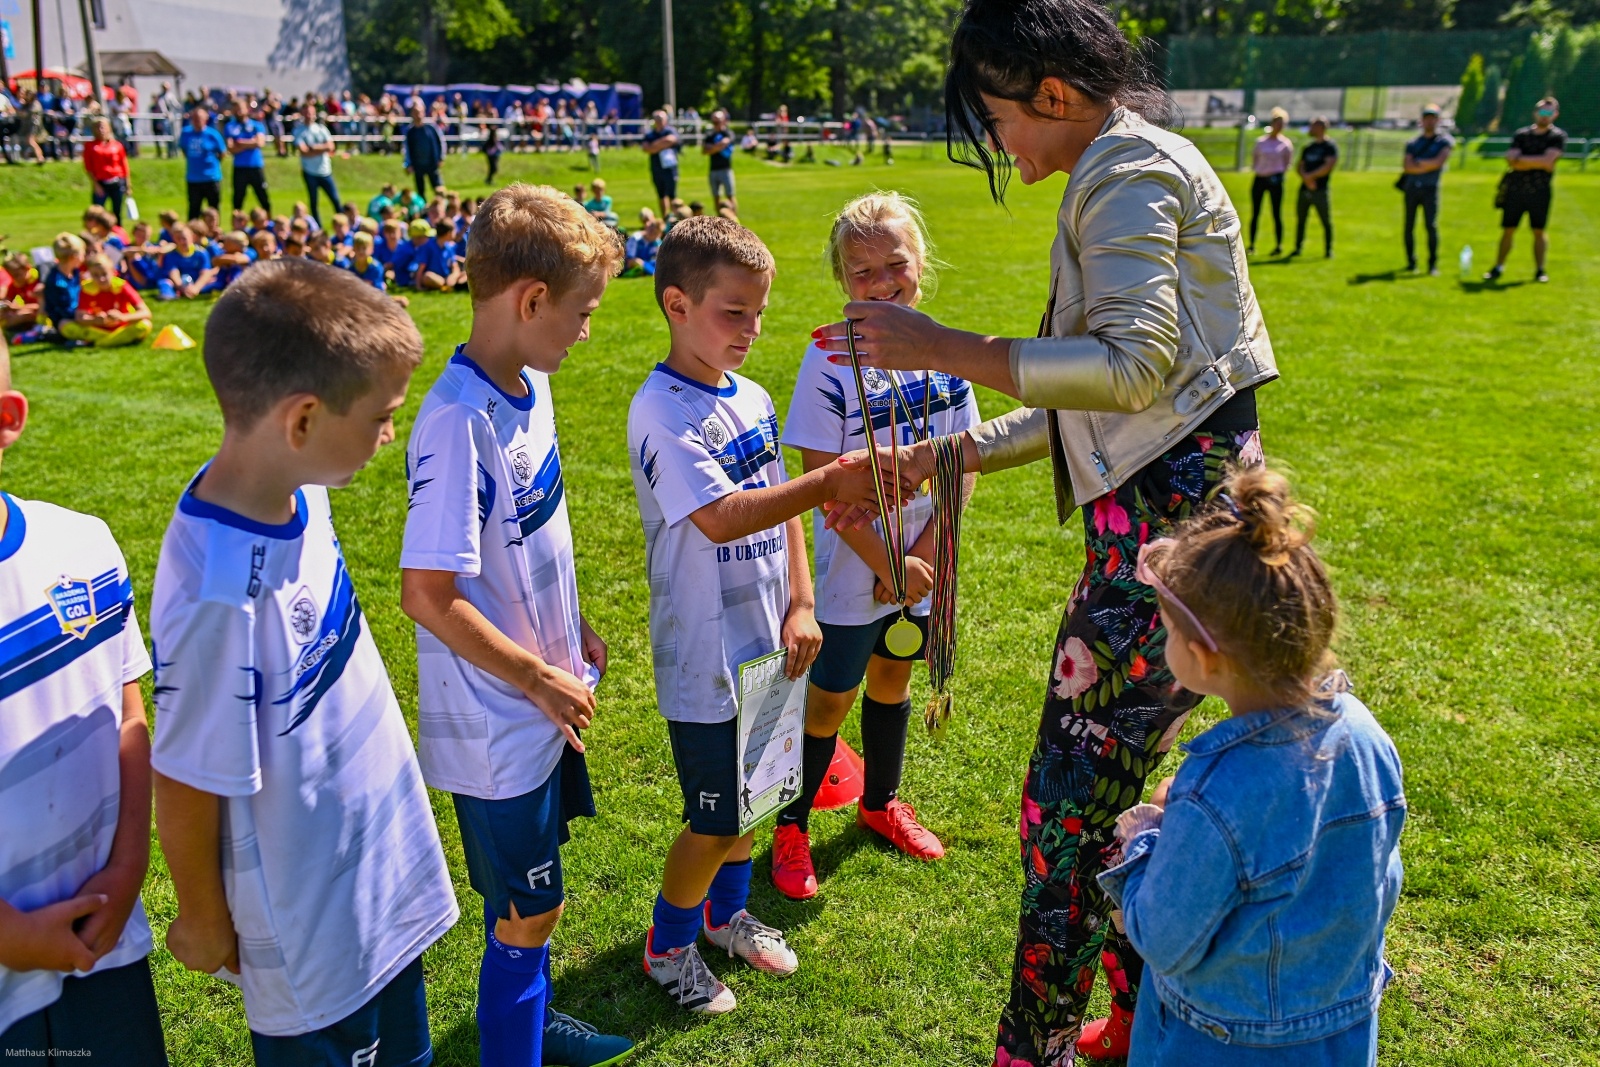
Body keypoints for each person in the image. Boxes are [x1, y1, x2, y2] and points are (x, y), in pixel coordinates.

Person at [811, 1, 1278, 1060]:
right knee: (1095, 802)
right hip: (1165, 537)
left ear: (1053, 95)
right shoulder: (1123, 164)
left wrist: (943, 345)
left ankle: (1038, 1046)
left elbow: (1128, 369)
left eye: (998, 117)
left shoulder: (1124, 175)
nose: (1000, 142)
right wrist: (956, 452)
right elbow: (1114, 399)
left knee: (1062, 817)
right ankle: (1127, 1016)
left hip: (1159, 552)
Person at [150, 259, 460, 1064]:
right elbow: (184, 772)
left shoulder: (302, 487)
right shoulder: (219, 592)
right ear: (303, 419)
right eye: (383, 416)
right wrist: (203, 917)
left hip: (376, 871)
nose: (390, 433)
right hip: (306, 922)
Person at [399, 184, 633, 1067]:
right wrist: (535, 676)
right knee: (528, 907)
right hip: (499, 724)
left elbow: (531, 535)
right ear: (530, 300)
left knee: (537, 900)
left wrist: (573, 629)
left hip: (544, 701)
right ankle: (515, 1042)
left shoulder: (529, 385)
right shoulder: (458, 421)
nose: (585, 331)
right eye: (581, 313)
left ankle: (529, 1018)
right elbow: (428, 592)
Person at [627, 216, 885, 1015]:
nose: (751, 329)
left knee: (761, 792)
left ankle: (724, 915)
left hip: (771, 637)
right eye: (732, 312)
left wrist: (803, 601)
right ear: (676, 303)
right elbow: (725, 516)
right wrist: (832, 480)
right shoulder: (660, 409)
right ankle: (667, 944)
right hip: (706, 652)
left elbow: (777, 520)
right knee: (712, 817)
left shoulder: (752, 395)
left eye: (759, 312)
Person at [1099, 469, 1405, 1067]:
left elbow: (1163, 938)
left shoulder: (1214, 791)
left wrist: (1149, 837)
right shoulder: (1364, 732)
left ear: (1204, 656)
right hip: (1340, 1026)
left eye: (1167, 629)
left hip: (1219, 1042)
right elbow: (1378, 881)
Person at [769, 192, 979, 901]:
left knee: (895, 679)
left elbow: (963, 461)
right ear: (841, 279)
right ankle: (791, 824)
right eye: (862, 271)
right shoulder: (829, 357)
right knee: (831, 698)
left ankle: (880, 802)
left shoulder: (945, 348)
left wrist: (925, 550)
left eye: (896, 263)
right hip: (852, 566)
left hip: (922, 561)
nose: (883, 281)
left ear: (921, 262)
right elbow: (824, 487)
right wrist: (889, 564)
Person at [0, 334, 169, 1063]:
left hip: (105, 938)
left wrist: (129, 864)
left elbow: (128, 716)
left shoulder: (82, 547)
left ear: (7, 419)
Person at [1485, 97, 1565, 284]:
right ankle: (1498, 267)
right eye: (1542, 112)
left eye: (1548, 112)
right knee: (1508, 230)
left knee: (1538, 231)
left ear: (1555, 115)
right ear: (1535, 113)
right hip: (1515, 191)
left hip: (1540, 192)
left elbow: (1548, 162)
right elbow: (1511, 159)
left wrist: (1523, 160)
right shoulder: (1521, 135)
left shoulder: (1557, 137)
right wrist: (1537, 161)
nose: (1544, 116)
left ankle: (1539, 270)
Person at [1399, 104, 1454, 276]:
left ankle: (1432, 264)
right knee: (1409, 226)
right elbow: (1407, 166)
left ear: (1438, 120)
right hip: (1412, 189)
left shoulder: (1444, 141)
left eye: (1433, 118)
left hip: (1430, 189)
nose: (1430, 121)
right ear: (1422, 121)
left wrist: (1419, 163)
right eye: (1427, 118)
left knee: (1431, 226)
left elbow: (1439, 162)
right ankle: (1410, 262)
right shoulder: (1413, 142)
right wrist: (1427, 165)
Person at [62, 252, 154, 347]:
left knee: (145, 325)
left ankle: (99, 343)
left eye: (104, 274)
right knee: (64, 325)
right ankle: (115, 340)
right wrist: (95, 320)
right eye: (95, 275)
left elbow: (146, 313)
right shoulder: (87, 288)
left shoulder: (122, 286)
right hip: (98, 329)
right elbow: (80, 317)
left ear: (113, 272)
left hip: (122, 327)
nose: (101, 279)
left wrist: (122, 317)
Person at [1290, 116, 1336, 259]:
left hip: (1320, 189)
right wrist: (1306, 178)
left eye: (1313, 126)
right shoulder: (1308, 147)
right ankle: (1298, 248)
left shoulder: (1329, 147)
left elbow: (1328, 166)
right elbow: (1299, 166)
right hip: (1304, 189)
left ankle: (1328, 250)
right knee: (1301, 219)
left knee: (1325, 220)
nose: (1310, 129)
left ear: (1321, 127)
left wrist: (1311, 177)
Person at [1249, 108, 1292, 256]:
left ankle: (1278, 245)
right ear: (1273, 124)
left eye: (1282, 124)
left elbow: (1287, 163)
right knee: (1256, 213)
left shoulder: (1285, 144)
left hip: (1276, 181)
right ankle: (1252, 244)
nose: (1280, 126)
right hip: (1260, 179)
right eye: (1278, 123)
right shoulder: (1261, 142)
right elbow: (1255, 160)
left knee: (1276, 213)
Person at [178, 105, 229, 222]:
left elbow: (222, 153)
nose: (196, 121)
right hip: (194, 178)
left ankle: (214, 233)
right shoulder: (186, 133)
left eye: (199, 118)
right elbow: (184, 149)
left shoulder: (213, 134)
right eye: (194, 119)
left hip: (211, 177)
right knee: (194, 209)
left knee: (213, 209)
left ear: (205, 119)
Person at [293, 102, 341, 226]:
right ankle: (317, 227)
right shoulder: (299, 130)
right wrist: (321, 149)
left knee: (335, 200)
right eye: (307, 112)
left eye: (311, 113)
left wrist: (312, 148)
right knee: (314, 202)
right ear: (303, 114)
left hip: (325, 171)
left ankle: (342, 223)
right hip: (310, 172)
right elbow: (303, 151)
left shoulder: (321, 128)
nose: (309, 115)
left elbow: (331, 146)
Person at [224, 98, 271, 213]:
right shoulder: (230, 126)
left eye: (241, 109)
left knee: (263, 196)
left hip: (255, 165)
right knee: (238, 198)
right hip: (240, 167)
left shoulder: (256, 125)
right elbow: (231, 148)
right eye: (236, 109)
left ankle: (269, 222)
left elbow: (259, 143)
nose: (239, 112)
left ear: (247, 109)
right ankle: (236, 224)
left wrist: (240, 142)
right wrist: (251, 142)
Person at [83, 118, 132, 225]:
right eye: (98, 127)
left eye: (103, 127)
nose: (101, 130)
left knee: (117, 211)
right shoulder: (90, 146)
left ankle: (118, 233)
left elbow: (124, 165)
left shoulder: (117, 145)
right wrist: (95, 184)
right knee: (98, 213)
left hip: (116, 181)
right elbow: (88, 167)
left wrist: (128, 184)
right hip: (101, 182)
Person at [42, 234, 86, 341]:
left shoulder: (75, 273)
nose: (84, 257)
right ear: (73, 257)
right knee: (66, 325)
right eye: (82, 254)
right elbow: (63, 310)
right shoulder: (57, 281)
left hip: (80, 314)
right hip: (66, 320)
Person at [158, 224, 219, 300]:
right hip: (180, 284)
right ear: (174, 239)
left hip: (198, 282)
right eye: (178, 239)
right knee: (165, 282)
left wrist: (196, 288)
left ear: (192, 237)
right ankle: (170, 295)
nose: (182, 241)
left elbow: (205, 272)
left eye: (184, 238)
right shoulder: (171, 255)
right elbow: (174, 273)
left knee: (213, 281)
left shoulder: (201, 253)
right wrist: (182, 288)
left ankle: (192, 292)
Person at [641, 110, 681, 219]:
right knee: (661, 194)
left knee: (672, 195)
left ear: (666, 120)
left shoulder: (670, 131)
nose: (659, 121)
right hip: (657, 168)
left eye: (661, 119)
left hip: (670, 168)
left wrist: (654, 146)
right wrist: (662, 144)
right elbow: (646, 148)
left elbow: (671, 140)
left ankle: (676, 217)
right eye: (657, 119)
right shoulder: (650, 134)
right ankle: (665, 217)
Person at [404, 102, 445, 198]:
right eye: (415, 112)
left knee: (438, 189)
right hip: (418, 165)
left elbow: (441, 142)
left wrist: (441, 158)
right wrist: (408, 164)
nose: (417, 115)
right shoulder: (410, 131)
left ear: (423, 112)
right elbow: (407, 149)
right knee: (420, 191)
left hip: (432, 163)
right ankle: (423, 211)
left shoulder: (431, 128)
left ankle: (442, 208)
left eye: (419, 112)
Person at [703, 109, 737, 214]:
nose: (716, 124)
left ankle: (735, 220)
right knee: (716, 197)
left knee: (730, 195)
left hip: (726, 169)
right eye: (714, 121)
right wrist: (718, 147)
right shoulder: (710, 135)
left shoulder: (728, 133)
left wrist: (712, 148)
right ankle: (719, 222)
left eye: (718, 121)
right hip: (713, 170)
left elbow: (725, 142)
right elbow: (704, 151)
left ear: (723, 120)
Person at [414, 220, 463, 291]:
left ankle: (448, 285)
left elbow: (455, 267)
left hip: (448, 277)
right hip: (435, 277)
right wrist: (418, 286)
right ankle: (448, 286)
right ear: (448, 233)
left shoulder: (449, 247)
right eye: (454, 231)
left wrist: (453, 276)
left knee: (466, 274)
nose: (456, 233)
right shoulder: (428, 246)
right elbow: (420, 268)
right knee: (427, 276)